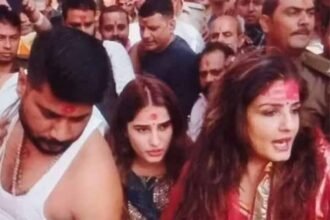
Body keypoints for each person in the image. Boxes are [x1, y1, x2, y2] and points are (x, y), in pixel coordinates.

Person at [162, 50, 330, 220]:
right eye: (270, 112)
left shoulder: (320, 169)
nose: (289, 125)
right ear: (236, 116)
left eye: (294, 110)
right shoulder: (204, 170)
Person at [0, 27, 123, 219]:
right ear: (23, 84)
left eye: (78, 119)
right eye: (49, 114)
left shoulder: (95, 187)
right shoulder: (4, 98)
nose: (61, 133)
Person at [109, 75, 188, 219]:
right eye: (142, 130)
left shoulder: (192, 169)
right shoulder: (107, 175)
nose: (155, 141)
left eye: (163, 127)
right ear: (124, 131)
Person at [260, 0, 330, 135]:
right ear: (266, 23)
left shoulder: (324, 77)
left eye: (310, 13)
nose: (305, 21)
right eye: (293, 12)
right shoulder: (243, 73)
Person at [62, 0, 135, 122]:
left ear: (95, 23)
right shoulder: (56, 55)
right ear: (64, 24)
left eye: (88, 24)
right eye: (76, 26)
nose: (83, 31)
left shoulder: (113, 51)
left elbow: (130, 99)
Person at [131, 0, 200, 117]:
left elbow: (182, 110)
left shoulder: (184, 60)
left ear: (171, 25)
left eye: (153, 28)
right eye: (142, 28)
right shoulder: (146, 49)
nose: (145, 35)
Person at [188, 42, 234, 141]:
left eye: (216, 72)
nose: (208, 79)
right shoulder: (199, 106)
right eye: (203, 74)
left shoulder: (241, 106)